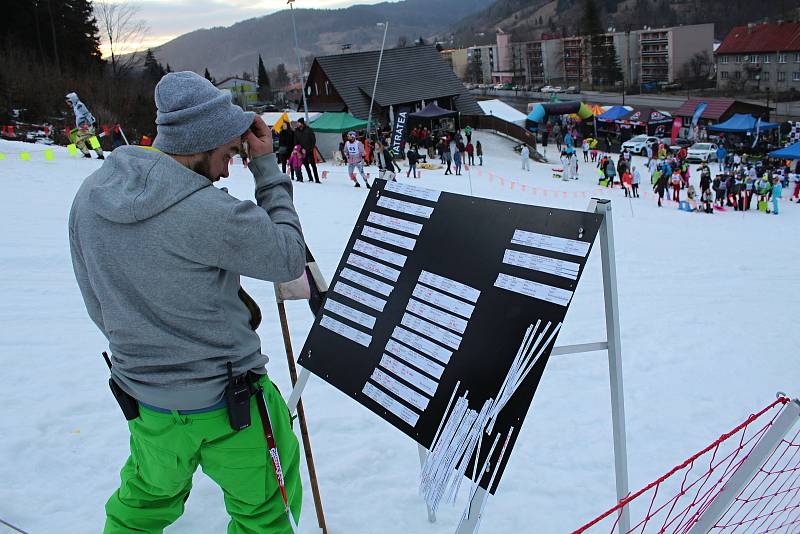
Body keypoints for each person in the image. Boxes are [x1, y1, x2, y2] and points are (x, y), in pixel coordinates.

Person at [68, 71, 304, 533]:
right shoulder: (209, 211)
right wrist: (266, 169)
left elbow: (96, 301)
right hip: (232, 406)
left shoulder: (90, 196)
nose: (226, 170)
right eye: (226, 155)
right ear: (202, 143)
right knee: (265, 515)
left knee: (141, 508)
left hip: (148, 405)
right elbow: (288, 257)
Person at [66, 91, 104, 159]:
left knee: (78, 140)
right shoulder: (76, 106)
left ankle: (87, 154)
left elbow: (87, 114)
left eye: (69, 102)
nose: (68, 104)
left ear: (72, 100)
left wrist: (93, 122)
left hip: (86, 127)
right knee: (92, 140)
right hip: (88, 127)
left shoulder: (79, 106)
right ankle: (100, 154)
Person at [294, 117, 320, 183]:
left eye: (298, 123)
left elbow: (313, 140)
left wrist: (308, 149)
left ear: (302, 123)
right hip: (302, 151)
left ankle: (317, 179)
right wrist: (300, 149)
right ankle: (310, 178)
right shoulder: (296, 131)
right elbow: (296, 142)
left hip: (309, 150)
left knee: (313, 165)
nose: (297, 124)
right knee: (306, 165)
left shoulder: (309, 130)